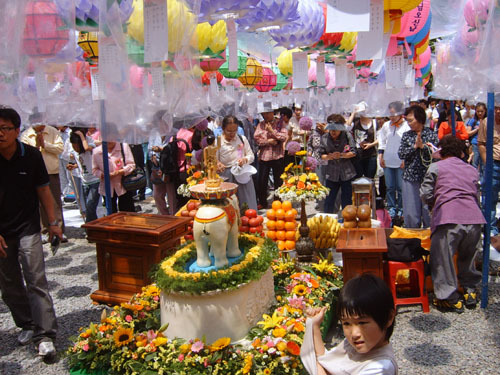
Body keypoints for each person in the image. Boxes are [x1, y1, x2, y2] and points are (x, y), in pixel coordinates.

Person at [0, 106, 61, 358]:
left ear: (16, 131)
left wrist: (54, 222)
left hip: (28, 227)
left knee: (36, 279)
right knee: (9, 283)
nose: (0, 134)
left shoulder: (31, 156)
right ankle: (26, 323)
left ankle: (45, 334)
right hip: (2, 232)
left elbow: (44, 191)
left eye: (5, 128)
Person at [420, 135, 485, 312]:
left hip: (448, 217)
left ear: (442, 151)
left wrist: (434, 203)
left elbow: (425, 194)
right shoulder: (471, 169)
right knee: (468, 257)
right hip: (474, 219)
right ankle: (470, 290)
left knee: (443, 259)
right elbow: (476, 195)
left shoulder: (436, 167)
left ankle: (449, 297)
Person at [301, 273, 397, 375]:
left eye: (362, 322)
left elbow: (322, 367)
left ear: (388, 318)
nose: (354, 334)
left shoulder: (381, 367)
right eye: (346, 323)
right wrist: (315, 325)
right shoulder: (352, 346)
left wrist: (313, 363)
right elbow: (326, 361)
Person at [21, 113, 66, 242]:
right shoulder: (26, 135)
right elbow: (26, 154)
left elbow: (59, 148)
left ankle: (59, 228)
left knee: (55, 200)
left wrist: (45, 145)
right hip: (33, 173)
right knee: (39, 203)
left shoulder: (52, 131)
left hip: (51, 170)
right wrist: (36, 146)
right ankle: (45, 229)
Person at [398, 105, 439, 228]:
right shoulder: (407, 136)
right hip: (410, 177)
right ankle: (412, 239)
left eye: (411, 120)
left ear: (420, 119)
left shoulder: (431, 135)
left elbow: (436, 154)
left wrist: (423, 147)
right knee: (411, 211)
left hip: (428, 177)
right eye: (407, 121)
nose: (409, 123)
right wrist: (414, 147)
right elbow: (401, 153)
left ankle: (429, 237)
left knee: (428, 210)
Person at [216, 115, 258, 211]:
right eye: (229, 131)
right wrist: (218, 164)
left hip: (242, 174)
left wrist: (244, 160)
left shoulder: (241, 138)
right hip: (226, 176)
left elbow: (251, 156)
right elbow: (214, 160)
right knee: (230, 204)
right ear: (223, 129)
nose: (232, 134)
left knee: (246, 203)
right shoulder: (218, 142)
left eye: (234, 131)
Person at [378, 102, 410, 225]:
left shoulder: (406, 126)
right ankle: (391, 208)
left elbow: (407, 144)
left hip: (400, 160)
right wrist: (381, 156)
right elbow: (382, 141)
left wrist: (404, 159)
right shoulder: (386, 125)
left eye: (394, 114)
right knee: (390, 187)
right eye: (390, 114)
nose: (391, 117)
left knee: (401, 187)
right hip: (388, 159)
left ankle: (401, 209)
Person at [318, 114, 357, 213]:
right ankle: (328, 219)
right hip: (331, 173)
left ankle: (347, 220)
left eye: (335, 129)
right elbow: (321, 154)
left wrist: (341, 155)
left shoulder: (347, 135)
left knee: (347, 200)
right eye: (331, 129)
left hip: (346, 172)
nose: (333, 132)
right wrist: (330, 156)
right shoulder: (324, 137)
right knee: (329, 199)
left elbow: (353, 152)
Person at [92, 128, 136, 213]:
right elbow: (94, 170)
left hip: (124, 185)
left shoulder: (123, 146)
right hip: (107, 187)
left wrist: (119, 172)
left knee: (127, 212)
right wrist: (102, 175)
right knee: (111, 214)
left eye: (111, 138)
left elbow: (131, 165)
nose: (109, 141)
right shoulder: (96, 152)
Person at [254, 104, 288, 209]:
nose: (266, 115)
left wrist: (272, 132)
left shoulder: (280, 123)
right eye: (264, 114)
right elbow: (257, 139)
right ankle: (263, 202)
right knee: (262, 180)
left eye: (268, 113)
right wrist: (268, 141)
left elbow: (284, 137)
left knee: (279, 180)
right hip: (265, 156)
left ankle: (277, 201)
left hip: (277, 156)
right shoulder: (261, 124)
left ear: (272, 112)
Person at [477, 101, 500, 237]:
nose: (498, 111)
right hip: (493, 164)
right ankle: (490, 228)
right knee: (489, 197)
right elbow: (481, 144)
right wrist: (487, 162)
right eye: (496, 108)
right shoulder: (486, 122)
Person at [68, 130, 100, 222]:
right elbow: (81, 163)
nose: (75, 148)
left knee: (90, 205)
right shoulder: (75, 152)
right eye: (73, 146)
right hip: (85, 181)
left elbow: (86, 148)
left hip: (95, 180)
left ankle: (89, 227)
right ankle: (93, 226)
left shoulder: (90, 146)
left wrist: (82, 136)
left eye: (76, 146)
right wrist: (73, 166)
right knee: (88, 207)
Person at [347, 102, 378, 179]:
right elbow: (347, 127)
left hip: (371, 154)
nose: (363, 113)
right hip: (358, 155)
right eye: (361, 111)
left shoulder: (374, 122)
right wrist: (353, 113)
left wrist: (371, 144)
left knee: (370, 177)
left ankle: (372, 191)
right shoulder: (356, 121)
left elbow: (380, 138)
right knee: (358, 178)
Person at [466, 102, 486, 172]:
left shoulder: (487, 120)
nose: (480, 113)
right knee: (475, 163)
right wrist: (477, 129)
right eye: (478, 111)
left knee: (484, 163)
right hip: (475, 144)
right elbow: (468, 133)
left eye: (482, 111)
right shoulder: (472, 121)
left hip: (485, 144)